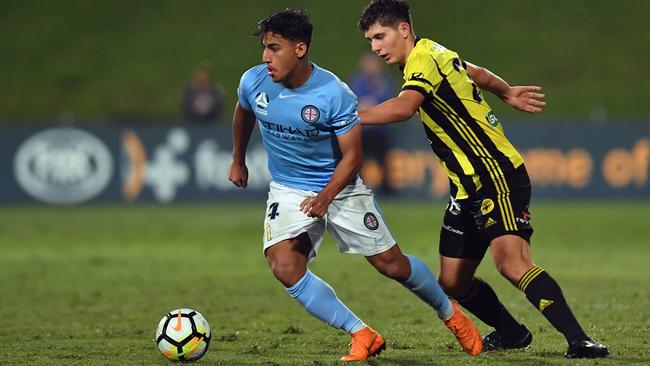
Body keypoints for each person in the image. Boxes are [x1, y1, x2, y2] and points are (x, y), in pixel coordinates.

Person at [356, 0, 608, 359]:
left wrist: (349, 117)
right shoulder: (433, 52)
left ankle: (580, 340)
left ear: (403, 30)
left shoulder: (423, 59)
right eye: (370, 40)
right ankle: (511, 332)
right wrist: (505, 91)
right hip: (466, 188)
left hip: (495, 174)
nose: (376, 47)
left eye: (380, 37)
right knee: (452, 281)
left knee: (511, 263)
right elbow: (475, 72)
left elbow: (404, 107)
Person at [228, 8, 481, 362]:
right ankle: (361, 332)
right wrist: (238, 158)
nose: (266, 58)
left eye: (275, 48)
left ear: (300, 49)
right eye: (265, 49)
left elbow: (353, 158)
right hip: (288, 188)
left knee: (391, 265)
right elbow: (244, 111)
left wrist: (325, 197)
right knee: (284, 265)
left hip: (341, 188)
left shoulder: (334, 93)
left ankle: (449, 313)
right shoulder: (254, 81)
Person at [349, 52, 396, 195]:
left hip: (380, 131)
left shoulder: (385, 80)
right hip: (362, 130)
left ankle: (387, 192)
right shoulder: (358, 80)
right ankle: (357, 191)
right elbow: (356, 102)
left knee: (383, 163)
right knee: (358, 163)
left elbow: (386, 102)